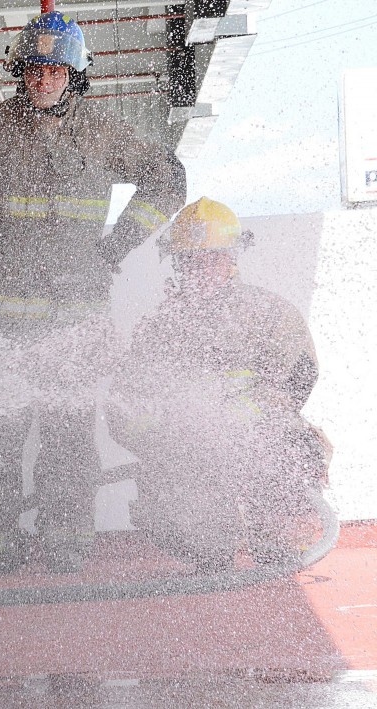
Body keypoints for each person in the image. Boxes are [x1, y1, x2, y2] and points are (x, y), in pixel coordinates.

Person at [0, 11, 187, 573]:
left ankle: (68, 546)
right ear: (21, 72)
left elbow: (169, 179)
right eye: (35, 69)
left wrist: (118, 247)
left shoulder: (103, 131)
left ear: (76, 75)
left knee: (69, 441)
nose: (44, 80)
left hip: (76, 325)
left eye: (56, 70)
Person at [107, 198, 331, 572]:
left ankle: (276, 541)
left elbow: (297, 380)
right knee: (203, 548)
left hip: (259, 440)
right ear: (178, 263)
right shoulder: (159, 329)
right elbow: (126, 400)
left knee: (294, 449)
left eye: (213, 258)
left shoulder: (268, 313)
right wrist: (157, 436)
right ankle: (208, 546)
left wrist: (242, 417)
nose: (202, 269)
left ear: (232, 257)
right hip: (190, 452)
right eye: (192, 260)